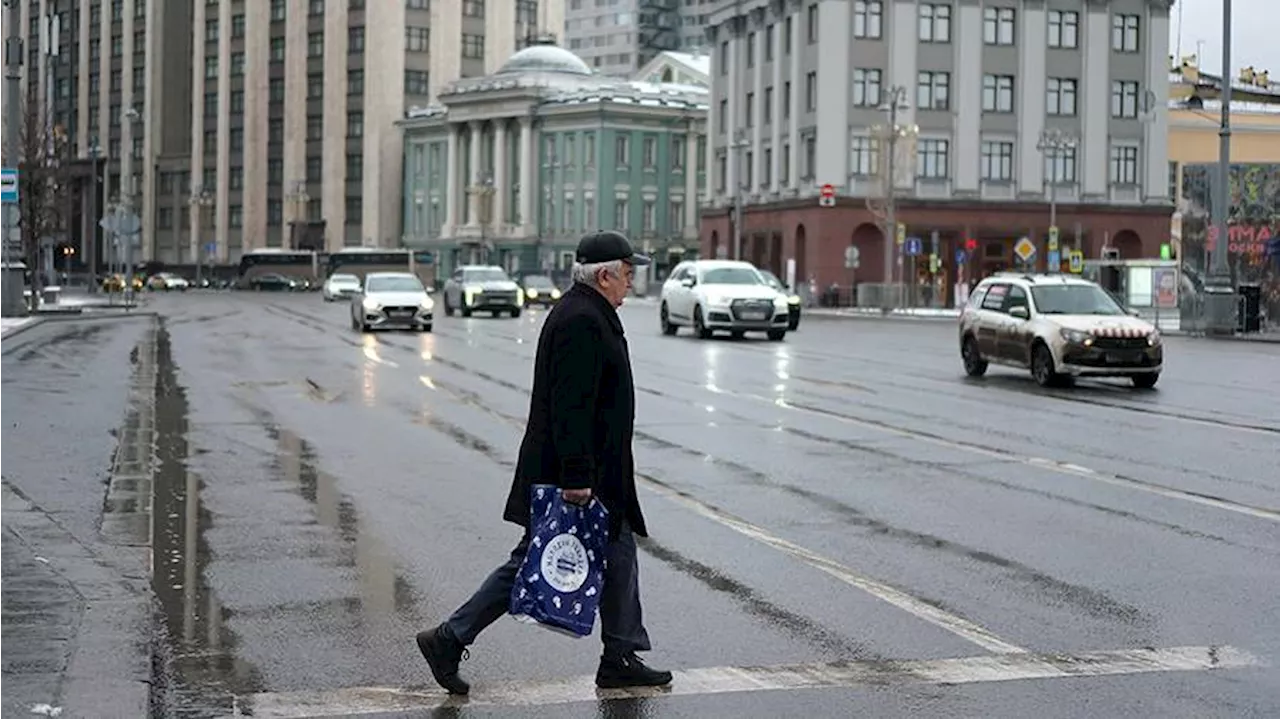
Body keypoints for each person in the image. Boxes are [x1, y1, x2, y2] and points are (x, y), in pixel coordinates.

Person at [416, 230, 673, 695]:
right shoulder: (581, 319)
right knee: (531, 562)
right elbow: (570, 404)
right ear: (605, 274)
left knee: (619, 554)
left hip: (599, 471)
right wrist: (576, 476)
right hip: (572, 475)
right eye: (628, 272)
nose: (632, 281)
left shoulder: (590, 312)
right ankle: (449, 638)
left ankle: (619, 654)